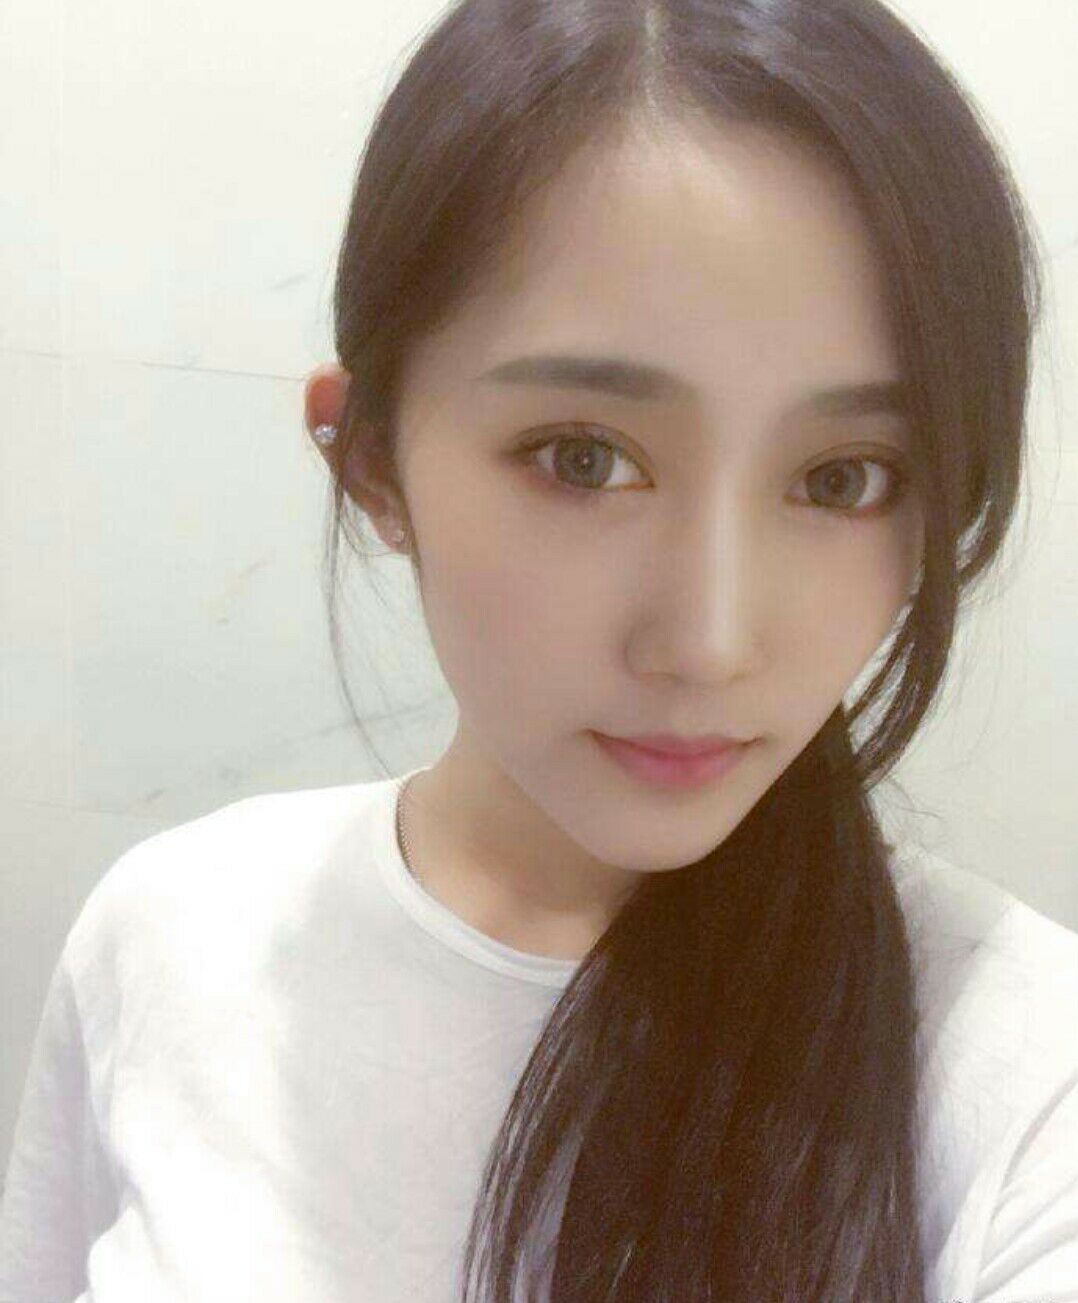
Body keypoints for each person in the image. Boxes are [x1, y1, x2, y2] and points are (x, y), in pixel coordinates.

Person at [2, 0, 1076, 1299]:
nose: (708, 644)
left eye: (844, 478)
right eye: (584, 459)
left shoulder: (1030, 1077)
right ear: (370, 460)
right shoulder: (170, 932)